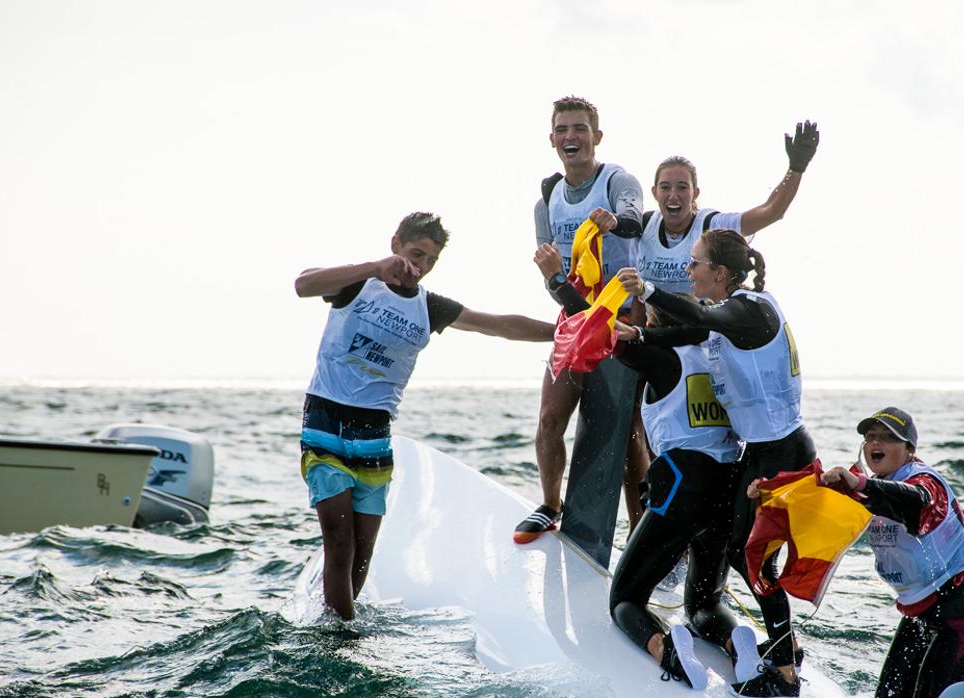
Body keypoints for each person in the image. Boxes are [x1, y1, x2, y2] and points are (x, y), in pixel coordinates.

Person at [294, 212, 555, 620]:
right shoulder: (357, 284)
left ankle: (337, 621)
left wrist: (567, 329)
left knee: (363, 551)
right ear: (395, 243)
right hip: (325, 422)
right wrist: (374, 267)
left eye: (430, 261)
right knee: (340, 542)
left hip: (375, 432)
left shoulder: (429, 307)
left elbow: (500, 326)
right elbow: (303, 284)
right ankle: (341, 637)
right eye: (416, 254)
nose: (419, 267)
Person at [533, 242, 760, 690]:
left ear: (654, 321)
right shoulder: (717, 353)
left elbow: (595, 328)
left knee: (625, 598)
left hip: (683, 485)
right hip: (730, 486)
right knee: (704, 603)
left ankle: (667, 647)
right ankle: (740, 644)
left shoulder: (658, 354)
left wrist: (558, 281)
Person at [615, 229, 812, 696]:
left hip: (781, 455)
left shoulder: (751, 309)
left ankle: (784, 668)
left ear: (720, 274)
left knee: (756, 564)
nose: (689, 269)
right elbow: (691, 328)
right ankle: (762, 646)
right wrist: (642, 331)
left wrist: (645, 291)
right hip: (754, 458)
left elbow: (689, 316)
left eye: (696, 262)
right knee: (742, 563)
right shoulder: (730, 318)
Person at [516, 95, 650, 544]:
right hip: (575, 309)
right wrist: (554, 276)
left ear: (597, 136)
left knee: (628, 431)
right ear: (552, 138)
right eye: (562, 130)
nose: (571, 137)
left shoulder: (617, 179)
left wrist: (612, 221)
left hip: (624, 313)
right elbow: (551, 273)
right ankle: (550, 506)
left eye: (579, 129)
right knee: (550, 418)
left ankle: (639, 529)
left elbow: (633, 219)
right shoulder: (547, 201)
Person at [819, 408, 964, 698]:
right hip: (920, 614)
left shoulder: (925, 484)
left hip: (959, 617)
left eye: (888, 437)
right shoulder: (872, 486)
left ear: (909, 450)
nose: (877, 443)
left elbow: (912, 501)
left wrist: (859, 484)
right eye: (871, 437)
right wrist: (767, 491)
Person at [637, 121, 818, 296]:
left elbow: (771, 212)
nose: (673, 195)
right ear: (654, 192)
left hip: (705, 323)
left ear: (695, 193)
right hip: (652, 326)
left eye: (682, 187)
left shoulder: (714, 226)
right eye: (665, 187)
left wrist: (796, 168)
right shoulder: (642, 225)